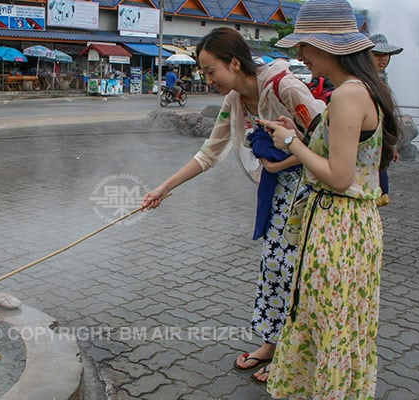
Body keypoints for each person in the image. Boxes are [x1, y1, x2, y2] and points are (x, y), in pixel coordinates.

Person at [140, 26, 325, 384]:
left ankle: (292, 356)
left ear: (235, 63)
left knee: (295, 274)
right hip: (275, 194)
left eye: (211, 71)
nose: (208, 80)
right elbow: (210, 152)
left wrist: (280, 162)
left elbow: (329, 143)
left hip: (308, 193)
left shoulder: (286, 87)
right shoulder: (236, 100)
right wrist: (163, 188)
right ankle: (272, 343)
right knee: (273, 269)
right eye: (203, 73)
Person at [260, 0, 401, 398]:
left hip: (338, 228)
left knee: (326, 323)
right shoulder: (363, 89)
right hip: (353, 227)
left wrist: (290, 143)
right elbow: (348, 161)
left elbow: (339, 177)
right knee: (341, 326)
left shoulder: (347, 96)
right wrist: (304, 138)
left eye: (305, 45)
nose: (300, 54)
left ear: (329, 46)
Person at [370, 33, 403, 207]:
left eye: (386, 55)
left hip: (381, 144)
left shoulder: (382, 79)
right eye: (377, 55)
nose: (383, 59)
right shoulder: (367, 82)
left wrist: (392, 144)